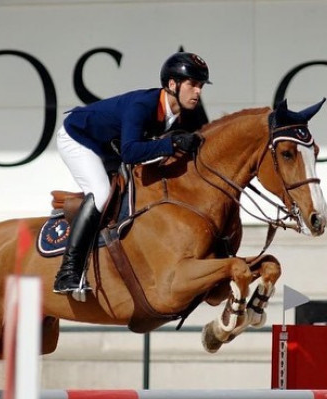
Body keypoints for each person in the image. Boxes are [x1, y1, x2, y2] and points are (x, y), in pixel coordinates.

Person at [53, 52, 212, 296]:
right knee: (101, 192)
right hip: (78, 137)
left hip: (107, 146)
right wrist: (171, 143)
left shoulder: (177, 114)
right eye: (192, 84)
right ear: (172, 84)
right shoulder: (143, 106)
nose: (198, 91)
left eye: (200, 85)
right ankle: (67, 273)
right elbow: (130, 152)